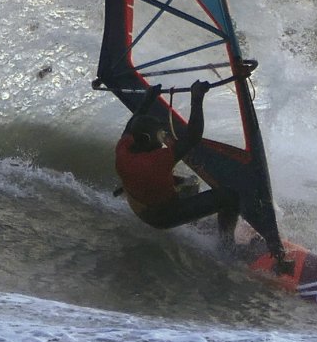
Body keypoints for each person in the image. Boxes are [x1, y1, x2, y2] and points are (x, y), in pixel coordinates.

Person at [114, 81, 292, 274]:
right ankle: (226, 246)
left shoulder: (124, 147)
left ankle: (193, 222)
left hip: (138, 203)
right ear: (148, 140)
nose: (163, 140)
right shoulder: (156, 160)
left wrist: (148, 98)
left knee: (191, 182)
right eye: (160, 137)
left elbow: (134, 121)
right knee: (228, 197)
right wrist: (196, 97)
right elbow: (193, 137)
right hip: (161, 215)